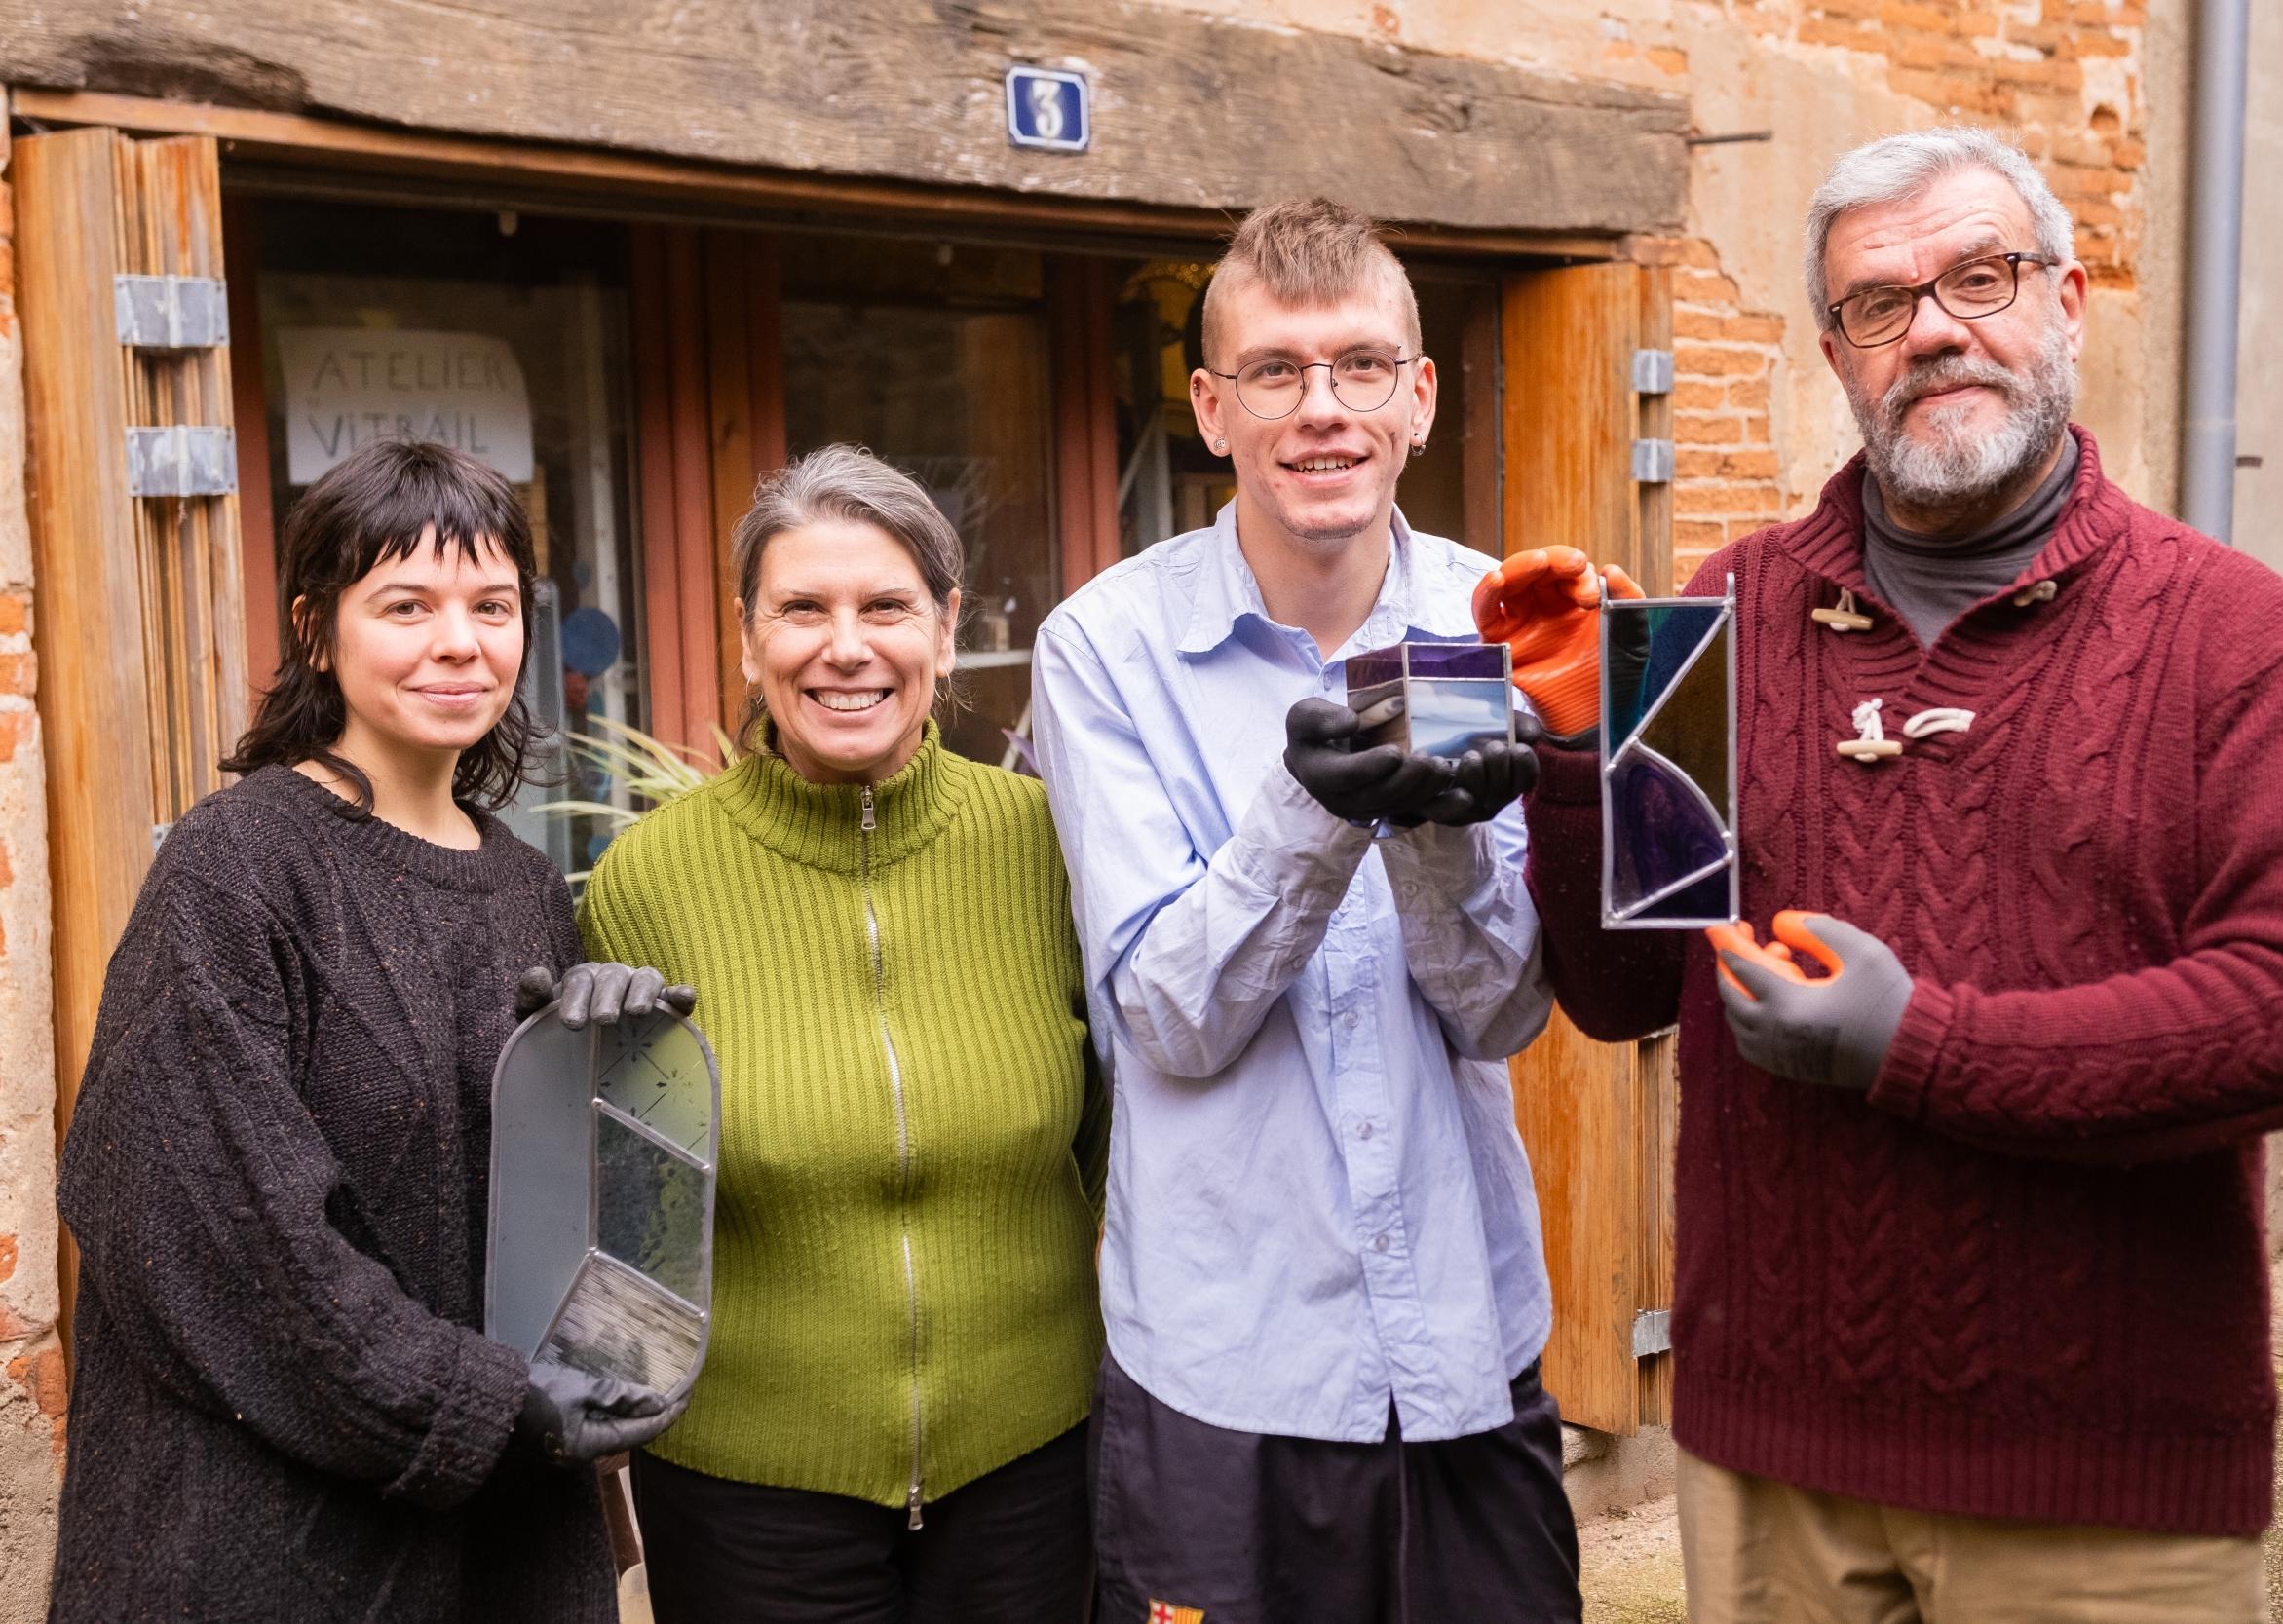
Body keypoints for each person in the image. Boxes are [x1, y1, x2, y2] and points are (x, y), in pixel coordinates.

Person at [1490, 128, 2283, 1623]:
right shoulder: (1719, 608)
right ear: (1837, 352)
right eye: (1876, 302)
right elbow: (1618, 985)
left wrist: (1924, 1045)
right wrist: (1584, 749)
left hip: (2105, 1482)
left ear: (2066, 300)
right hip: (1773, 1462)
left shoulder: (2235, 634)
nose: (1931, 328)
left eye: (1978, 275)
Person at [1031, 197, 1578, 1624]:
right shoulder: (1107, 644)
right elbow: (1164, 1019)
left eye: (1359, 365)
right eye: (1276, 369)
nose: (1320, 409)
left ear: (1420, 394)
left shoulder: (1494, 624)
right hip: (1226, 1370)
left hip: (1465, 1342)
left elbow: (1505, 1008)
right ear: (1212, 406)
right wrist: (1313, 809)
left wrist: (1441, 846)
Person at [48, 439, 686, 1624]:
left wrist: (629, 1080)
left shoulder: (528, 890)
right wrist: (489, 1402)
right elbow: (213, 1232)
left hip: (498, 1543)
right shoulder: (236, 866)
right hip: (269, 1545)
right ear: (313, 628)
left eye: (493, 604)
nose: (460, 641)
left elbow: (561, 1227)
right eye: (406, 604)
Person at [576, 445, 1107, 1624]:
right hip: (745, 1487)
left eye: (886, 606)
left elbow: (1130, 1142)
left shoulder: (1052, 845)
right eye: (802, 608)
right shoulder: (646, 880)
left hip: (1030, 1463)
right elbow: (619, 1216)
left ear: (947, 623)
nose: (846, 645)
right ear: (749, 634)